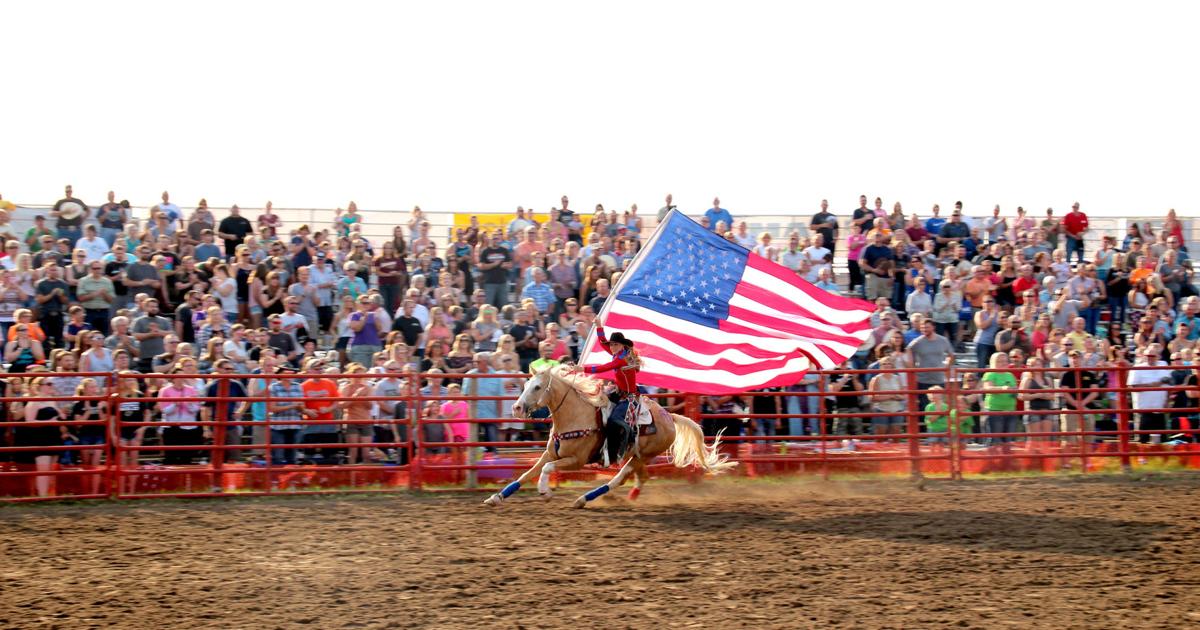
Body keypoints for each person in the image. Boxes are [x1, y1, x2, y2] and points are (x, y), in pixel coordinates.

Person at [578, 320, 640, 463]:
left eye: (615, 344)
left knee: (614, 420)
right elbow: (602, 342)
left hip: (629, 398)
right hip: (619, 393)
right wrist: (599, 326)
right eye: (611, 344)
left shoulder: (622, 359)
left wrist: (583, 369)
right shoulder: (618, 354)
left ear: (622, 345)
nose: (612, 347)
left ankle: (627, 437)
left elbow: (603, 368)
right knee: (596, 406)